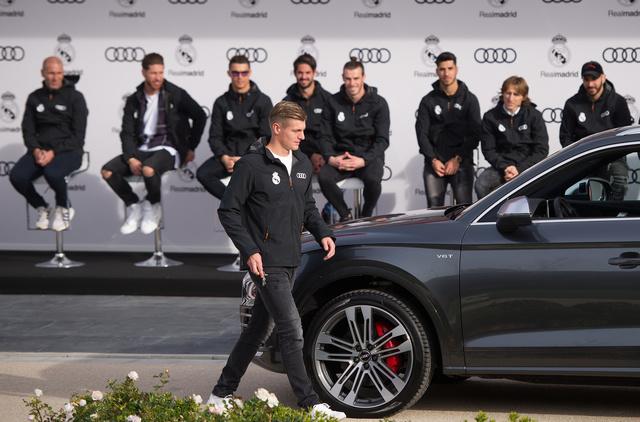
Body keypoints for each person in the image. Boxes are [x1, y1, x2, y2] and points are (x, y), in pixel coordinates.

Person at [208, 101, 345, 420]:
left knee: (257, 330)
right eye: (296, 130)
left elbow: (308, 206)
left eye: (304, 130)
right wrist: (250, 250)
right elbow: (228, 210)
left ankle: (220, 394)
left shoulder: (302, 164)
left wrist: (323, 232)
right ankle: (310, 404)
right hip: (266, 261)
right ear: (277, 128)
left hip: (291, 258)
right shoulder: (251, 165)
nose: (302, 136)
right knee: (292, 329)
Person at [101, 53, 206, 234]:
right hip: (141, 149)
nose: (158, 77)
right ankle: (134, 205)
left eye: (161, 72)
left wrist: (191, 146)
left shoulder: (176, 94)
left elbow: (200, 116)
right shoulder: (134, 100)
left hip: (169, 148)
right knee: (107, 171)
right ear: (144, 73)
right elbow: (127, 132)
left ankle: (153, 206)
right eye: (153, 73)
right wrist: (131, 158)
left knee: (148, 169)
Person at [10, 56, 88, 231]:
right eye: (51, 73)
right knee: (17, 176)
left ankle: (63, 207)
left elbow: (78, 137)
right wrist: (36, 150)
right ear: (43, 73)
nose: (55, 77)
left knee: (52, 172)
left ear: (63, 73)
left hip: (69, 151)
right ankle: (42, 207)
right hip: (40, 151)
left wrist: (53, 152)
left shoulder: (76, 97)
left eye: (59, 73)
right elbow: (28, 130)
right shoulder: (34, 97)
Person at [317, 58, 390, 221]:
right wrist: (331, 158)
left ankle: (365, 216)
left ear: (363, 77)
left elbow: (382, 140)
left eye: (356, 78)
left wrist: (364, 160)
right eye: (348, 79)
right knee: (324, 177)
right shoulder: (332, 102)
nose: (352, 83)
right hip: (341, 157)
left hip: (368, 158)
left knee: (373, 180)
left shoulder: (379, 103)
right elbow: (324, 135)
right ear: (343, 78)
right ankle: (346, 215)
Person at [196, 55, 273, 200]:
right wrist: (224, 157)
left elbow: (267, 137)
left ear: (250, 73)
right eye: (235, 73)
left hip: (254, 157)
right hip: (229, 158)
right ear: (229, 74)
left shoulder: (263, 101)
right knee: (203, 173)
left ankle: (243, 203)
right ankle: (234, 202)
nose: (240, 77)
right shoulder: (221, 102)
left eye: (244, 73)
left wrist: (246, 158)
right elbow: (215, 137)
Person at [415, 51, 481, 208]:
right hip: (435, 164)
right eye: (442, 69)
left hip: (461, 162)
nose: (446, 73)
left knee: (464, 210)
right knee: (434, 209)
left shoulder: (470, 99)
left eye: (450, 68)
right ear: (437, 71)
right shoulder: (428, 101)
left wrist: (457, 158)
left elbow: (475, 134)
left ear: (456, 69)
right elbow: (421, 134)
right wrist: (433, 159)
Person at [560, 60, 634, 200]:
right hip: (582, 157)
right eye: (586, 79)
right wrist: (578, 156)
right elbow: (565, 136)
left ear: (603, 78)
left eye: (594, 78)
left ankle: (612, 211)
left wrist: (609, 155)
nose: (590, 84)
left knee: (619, 179)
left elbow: (624, 134)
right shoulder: (572, 104)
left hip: (612, 155)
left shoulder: (618, 101)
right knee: (575, 189)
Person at [475, 76, 548, 199]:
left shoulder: (534, 115)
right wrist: (505, 167)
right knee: (481, 184)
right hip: (501, 167)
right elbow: (488, 150)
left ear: (523, 97)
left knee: (546, 187)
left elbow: (541, 149)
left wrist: (519, 169)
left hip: (528, 166)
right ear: (502, 94)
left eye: (516, 94)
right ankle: (491, 212)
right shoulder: (490, 117)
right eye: (508, 93)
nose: (510, 98)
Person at [283, 53, 332, 174]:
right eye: (300, 73)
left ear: (314, 73)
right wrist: (310, 155)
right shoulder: (287, 103)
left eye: (307, 73)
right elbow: (286, 136)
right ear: (295, 73)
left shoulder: (329, 100)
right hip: (297, 155)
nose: (304, 77)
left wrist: (324, 156)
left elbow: (331, 134)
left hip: (325, 155)